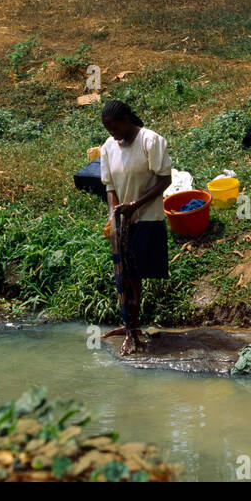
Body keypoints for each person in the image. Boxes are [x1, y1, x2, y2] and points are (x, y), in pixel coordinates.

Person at [98, 99, 172, 356]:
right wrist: (114, 215)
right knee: (124, 274)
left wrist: (135, 205)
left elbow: (164, 179)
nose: (112, 133)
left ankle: (133, 327)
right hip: (123, 220)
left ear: (126, 120)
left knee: (134, 274)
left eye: (114, 127)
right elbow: (109, 187)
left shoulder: (150, 141)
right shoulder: (108, 147)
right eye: (107, 129)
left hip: (147, 217)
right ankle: (130, 326)